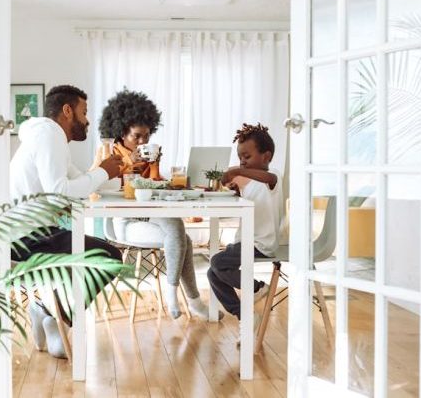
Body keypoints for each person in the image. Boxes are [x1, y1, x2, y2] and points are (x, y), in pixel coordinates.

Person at [10, 84, 124, 358]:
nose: (86, 121)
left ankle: (49, 313)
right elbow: (61, 191)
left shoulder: (48, 137)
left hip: (29, 232)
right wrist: (103, 172)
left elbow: (77, 181)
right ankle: (53, 315)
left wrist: (110, 174)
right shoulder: (50, 136)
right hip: (22, 240)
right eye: (84, 112)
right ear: (67, 110)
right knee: (109, 257)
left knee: (102, 252)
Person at [92, 89, 211, 320]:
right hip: (124, 220)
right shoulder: (108, 151)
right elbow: (96, 185)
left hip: (151, 213)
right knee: (182, 238)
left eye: (147, 135)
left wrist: (154, 166)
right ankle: (187, 299)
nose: (143, 141)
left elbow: (153, 186)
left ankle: (176, 296)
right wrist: (127, 162)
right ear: (121, 131)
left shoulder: (148, 152)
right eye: (137, 136)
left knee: (177, 229)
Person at [207, 123, 285, 321]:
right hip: (246, 241)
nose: (242, 162)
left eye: (247, 157)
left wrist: (235, 171)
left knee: (217, 262)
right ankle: (245, 316)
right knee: (213, 273)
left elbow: (268, 177)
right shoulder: (250, 183)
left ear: (266, 157)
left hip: (262, 243)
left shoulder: (273, 177)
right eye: (240, 157)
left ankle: (257, 287)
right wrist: (236, 190)